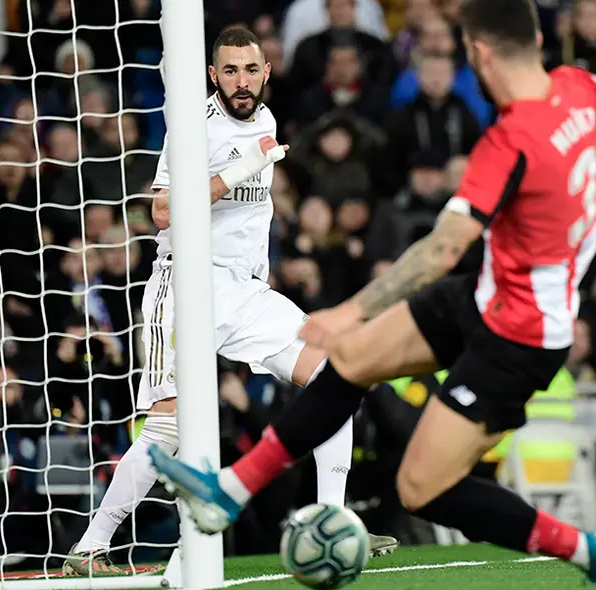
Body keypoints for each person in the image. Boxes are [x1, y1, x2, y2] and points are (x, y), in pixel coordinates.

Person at [150, 2, 596, 588]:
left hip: (521, 333)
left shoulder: (511, 139)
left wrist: (350, 310)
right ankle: (231, 489)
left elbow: (440, 249)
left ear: (479, 54)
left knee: (422, 488)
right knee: (349, 362)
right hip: (482, 294)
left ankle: (586, 548)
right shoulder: (580, 88)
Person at [62, 28, 397, 576]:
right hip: (185, 287)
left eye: (251, 70)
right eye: (230, 71)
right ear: (214, 76)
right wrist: (233, 173)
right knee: (168, 428)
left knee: (338, 375)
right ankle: (91, 546)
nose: (242, 82)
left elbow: (249, 218)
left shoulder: (264, 122)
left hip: (244, 290)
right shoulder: (194, 128)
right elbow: (164, 214)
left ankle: (331, 521)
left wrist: (260, 272)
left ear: (266, 72)